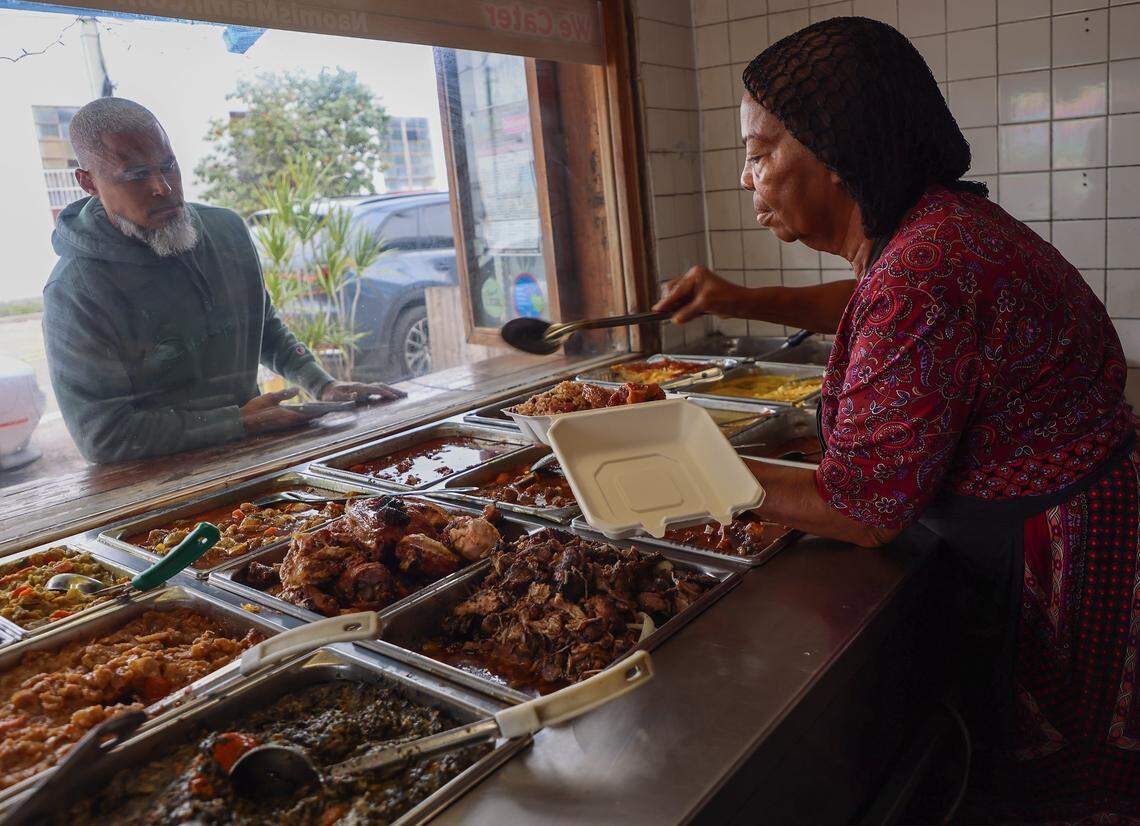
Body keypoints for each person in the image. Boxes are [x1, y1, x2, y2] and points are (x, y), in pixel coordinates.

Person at [656, 17, 1139, 823]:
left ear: (836, 154)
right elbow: (873, 299)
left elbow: (864, 508)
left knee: (1053, 798)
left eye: (760, 150)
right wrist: (739, 298)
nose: (748, 177)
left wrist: (671, 463)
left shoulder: (926, 268)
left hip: (1054, 554)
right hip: (1076, 514)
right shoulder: (933, 228)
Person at [42, 97, 404, 464]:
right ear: (88, 182)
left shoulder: (227, 231)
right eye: (136, 175)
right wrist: (238, 422)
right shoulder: (75, 291)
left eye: (168, 166)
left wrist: (322, 384)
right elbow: (103, 437)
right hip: (156, 489)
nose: (163, 187)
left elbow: (261, 326)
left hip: (256, 457)